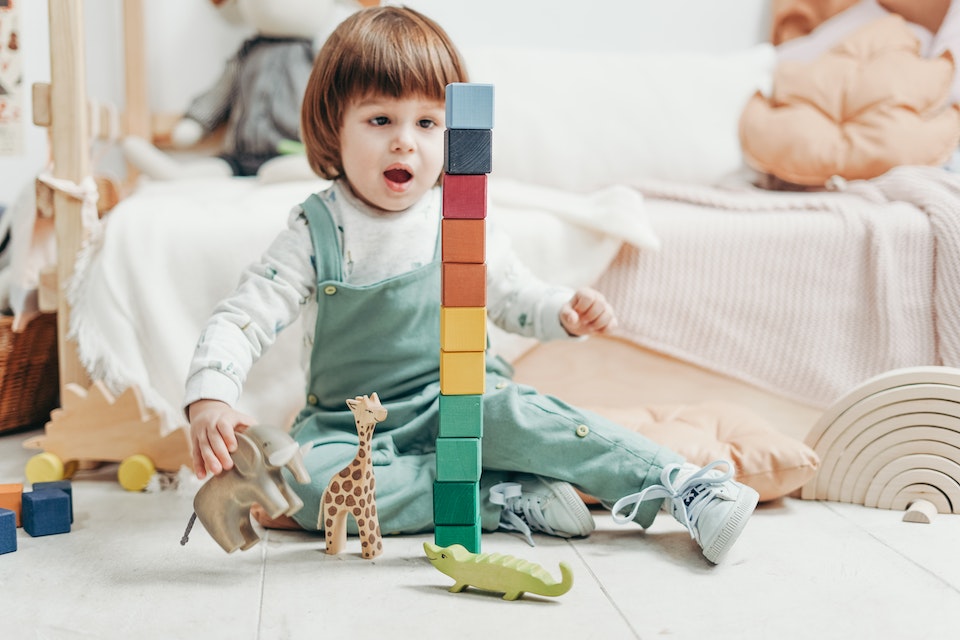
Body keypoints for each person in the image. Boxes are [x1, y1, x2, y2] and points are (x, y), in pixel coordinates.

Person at [185, 5, 759, 564]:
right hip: (351, 424)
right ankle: (497, 496)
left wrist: (562, 311)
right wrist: (211, 394)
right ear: (334, 128)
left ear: (452, 133)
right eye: (380, 119)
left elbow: (514, 296)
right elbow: (246, 315)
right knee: (311, 491)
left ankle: (681, 485)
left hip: (459, 400)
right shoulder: (315, 230)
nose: (405, 141)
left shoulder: (457, 218)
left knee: (518, 414)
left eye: (427, 123)